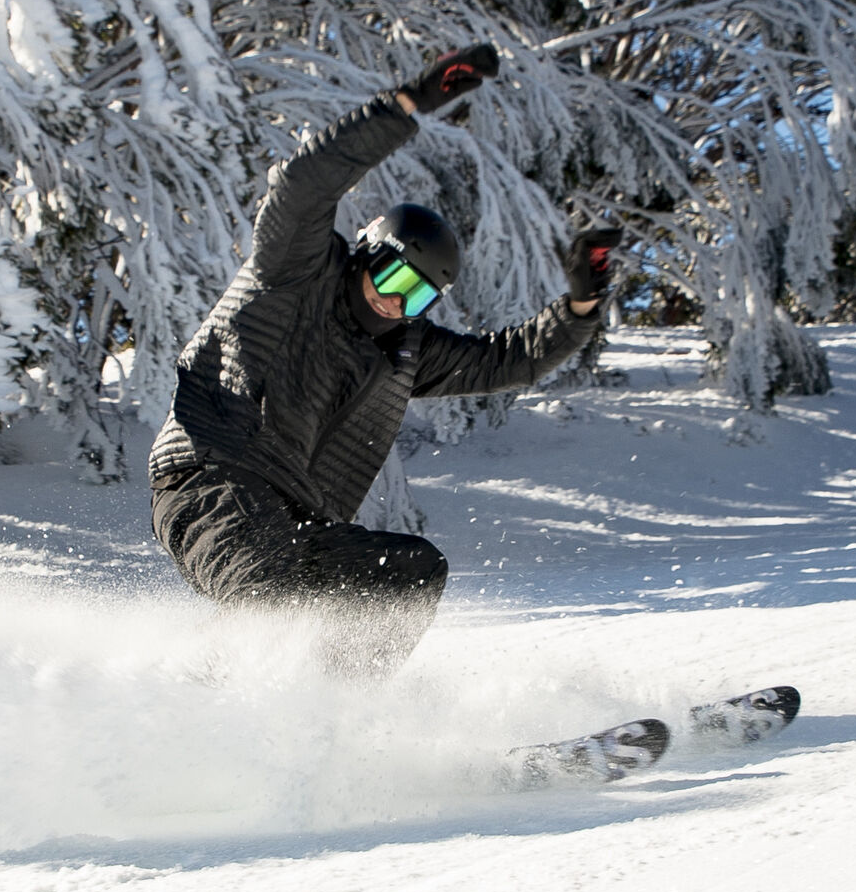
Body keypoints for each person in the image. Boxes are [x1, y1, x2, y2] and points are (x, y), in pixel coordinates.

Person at [148, 44, 619, 677]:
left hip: (297, 517)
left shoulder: (406, 352)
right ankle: (178, 700)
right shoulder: (295, 271)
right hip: (212, 478)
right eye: (395, 276)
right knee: (274, 597)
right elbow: (302, 184)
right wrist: (406, 106)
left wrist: (582, 306)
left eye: (418, 295)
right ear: (371, 252)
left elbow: (514, 360)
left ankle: (345, 724)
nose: (396, 301)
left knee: (409, 574)